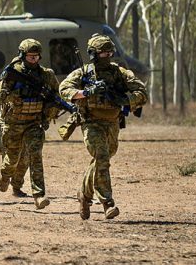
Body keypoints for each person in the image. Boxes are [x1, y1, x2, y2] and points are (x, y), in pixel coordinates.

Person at [59, 33, 147, 220]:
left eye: (109, 53)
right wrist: (85, 92)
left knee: (103, 158)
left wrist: (124, 99)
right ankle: (107, 202)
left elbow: (141, 92)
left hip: (113, 122)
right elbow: (64, 89)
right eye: (102, 54)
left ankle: (83, 195)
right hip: (91, 122)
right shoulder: (83, 73)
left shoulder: (120, 73)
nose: (107, 57)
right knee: (102, 157)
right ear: (93, 54)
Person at [0, 38, 58, 210]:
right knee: (12, 160)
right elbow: (0, 96)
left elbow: (55, 96)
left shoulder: (47, 75)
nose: (34, 60)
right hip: (14, 123)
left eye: (37, 56)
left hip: (34, 123)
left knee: (35, 156)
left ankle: (39, 195)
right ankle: (5, 175)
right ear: (23, 56)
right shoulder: (12, 73)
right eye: (31, 57)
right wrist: (15, 96)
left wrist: (49, 111)